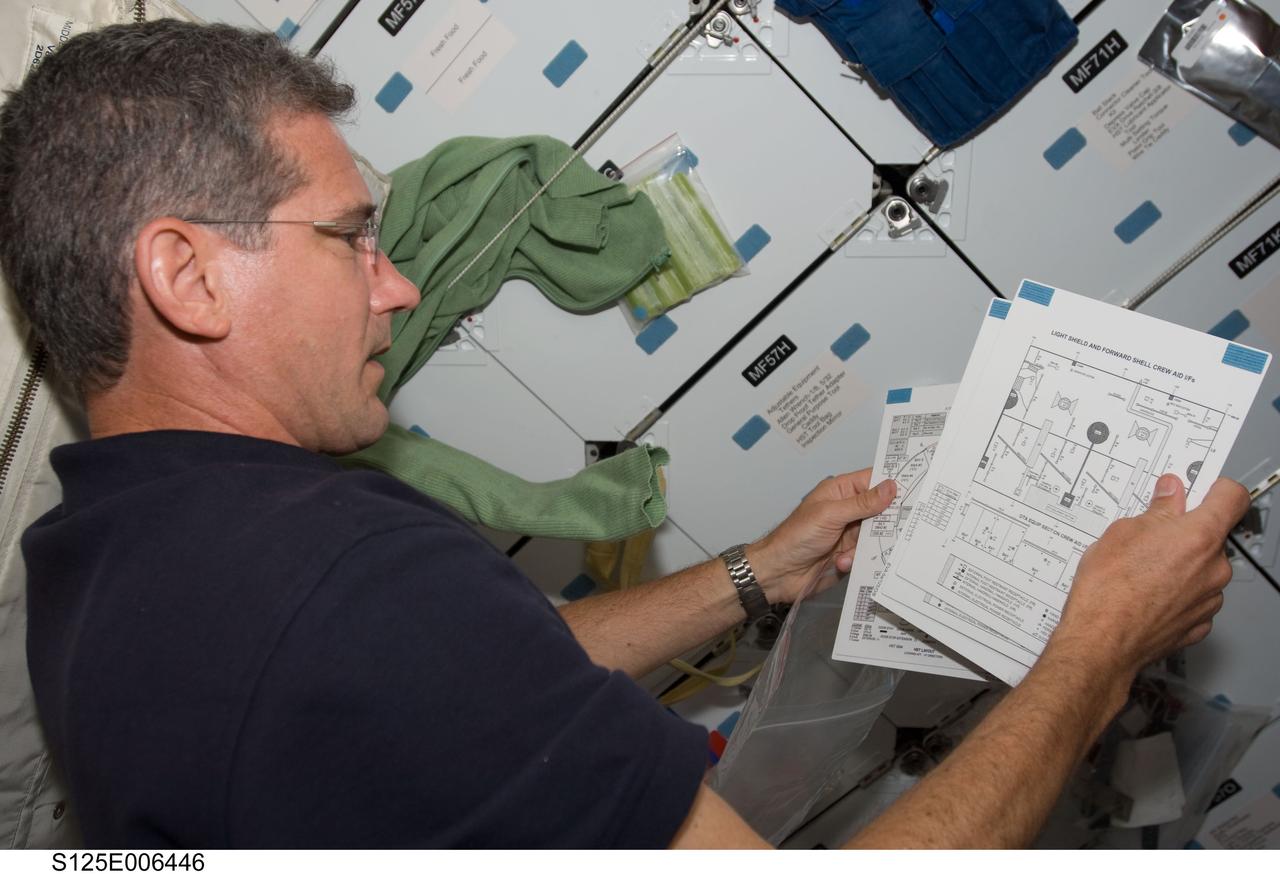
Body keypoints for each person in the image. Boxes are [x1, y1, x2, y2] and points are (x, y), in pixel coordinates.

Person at [0, 20, 1249, 849]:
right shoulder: (334, 579)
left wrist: (767, 569)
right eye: (349, 237)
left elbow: (490, 666)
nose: (394, 287)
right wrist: (1095, 648)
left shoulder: (110, 543)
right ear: (188, 276)